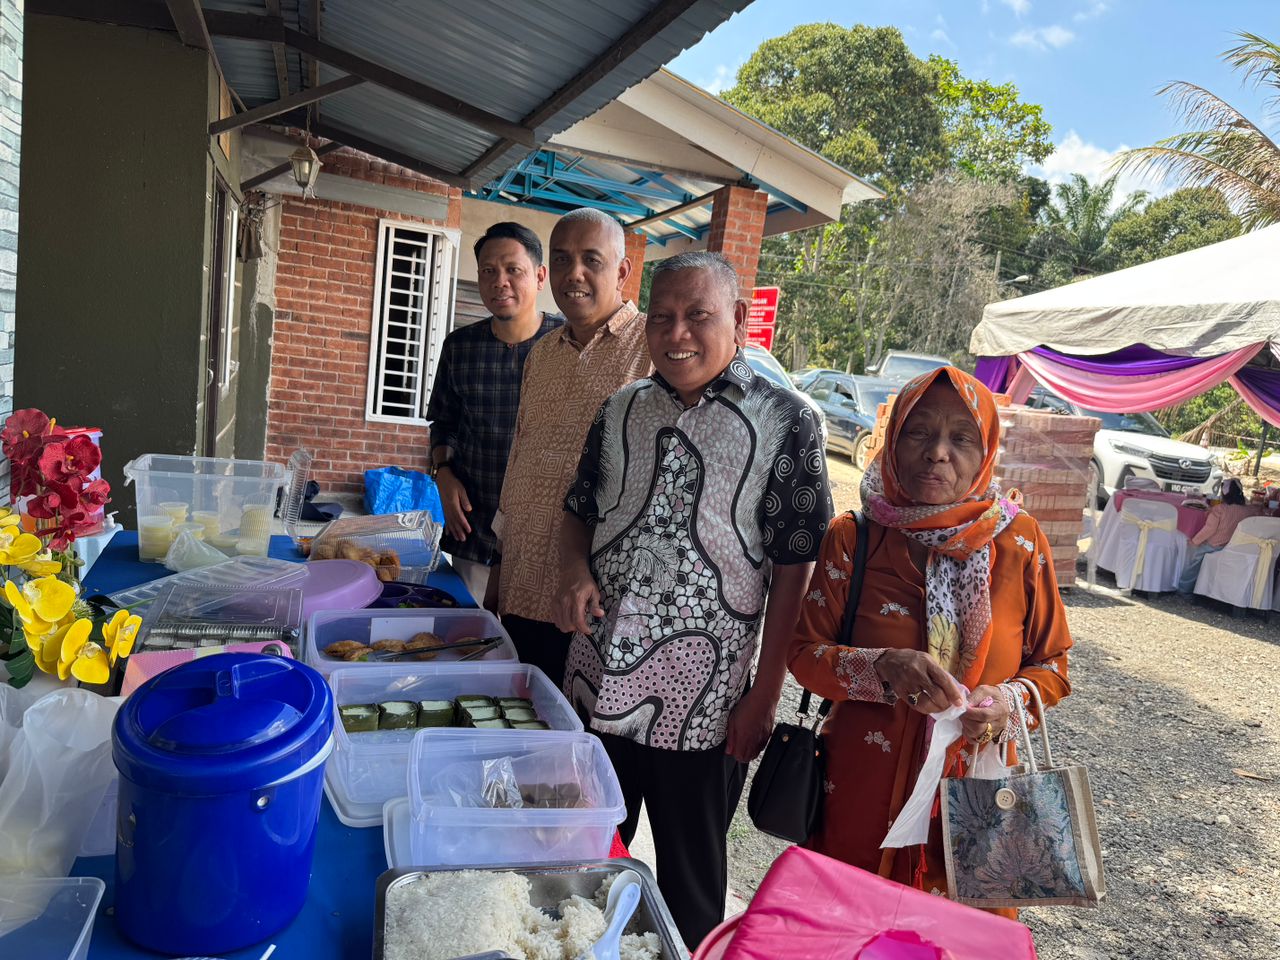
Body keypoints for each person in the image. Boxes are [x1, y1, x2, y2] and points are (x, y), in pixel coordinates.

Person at [555, 252, 833, 949]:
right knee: (585, 863)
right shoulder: (621, 408)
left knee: (690, 886)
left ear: (737, 319)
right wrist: (573, 572)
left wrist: (764, 696)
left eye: (697, 316)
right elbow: (578, 510)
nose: (677, 333)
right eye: (662, 317)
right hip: (596, 680)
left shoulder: (786, 420)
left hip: (705, 707)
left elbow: (796, 567)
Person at [788, 366, 1072, 912]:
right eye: (919, 432)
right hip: (859, 796)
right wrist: (882, 666)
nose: (937, 452)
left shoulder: (1020, 543)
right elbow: (804, 655)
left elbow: (1053, 665)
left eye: (961, 438)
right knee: (849, 928)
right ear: (894, 439)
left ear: (985, 451)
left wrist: (1006, 703)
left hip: (978, 801)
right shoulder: (855, 538)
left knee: (958, 938)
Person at [493, 208, 650, 688]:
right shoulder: (542, 353)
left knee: (574, 725)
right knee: (516, 715)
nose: (573, 273)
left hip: (589, 603)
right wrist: (499, 570)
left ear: (622, 271)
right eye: (561, 259)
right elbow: (519, 460)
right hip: (521, 586)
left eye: (591, 260)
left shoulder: (651, 348)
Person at [425, 222, 563, 604]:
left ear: (539, 276)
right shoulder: (460, 347)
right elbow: (444, 422)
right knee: (470, 632)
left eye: (512, 269)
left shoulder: (567, 345)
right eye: (488, 270)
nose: (499, 281)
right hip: (474, 526)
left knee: (524, 637)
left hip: (545, 541)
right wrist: (443, 474)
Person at [1176, 478, 1260, 594]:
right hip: (1233, 546)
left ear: (1224, 494)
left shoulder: (1219, 510)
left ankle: (1184, 588)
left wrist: (1194, 541)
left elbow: (1209, 529)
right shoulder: (1248, 511)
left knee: (1194, 561)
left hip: (1214, 545)